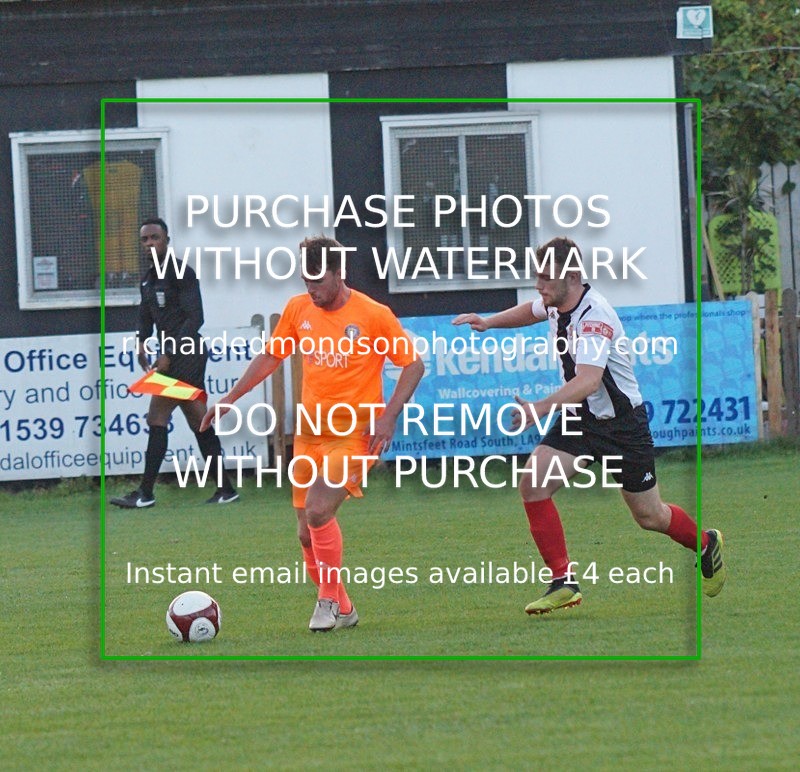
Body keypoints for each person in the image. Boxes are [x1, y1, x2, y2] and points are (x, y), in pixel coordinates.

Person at [453, 236, 726, 614]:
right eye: (538, 276)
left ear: (573, 275)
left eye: (546, 278)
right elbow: (531, 310)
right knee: (533, 485)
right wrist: (488, 322)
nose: (539, 285)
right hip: (580, 418)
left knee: (650, 516)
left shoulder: (594, 317)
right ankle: (563, 582)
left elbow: (589, 381)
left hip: (622, 426)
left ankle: (705, 543)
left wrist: (540, 408)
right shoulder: (555, 299)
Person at [200, 236, 424, 631]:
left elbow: (413, 365)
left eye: (319, 281)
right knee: (306, 534)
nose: (312, 289)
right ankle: (346, 607)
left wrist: (389, 416)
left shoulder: (373, 314)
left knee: (320, 509)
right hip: (310, 436)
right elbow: (271, 355)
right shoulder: (298, 309)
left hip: (355, 436)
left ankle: (326, 603)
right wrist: (231, 398)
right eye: (307, 280)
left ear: (340, 274)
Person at [111, 217, 239, 509]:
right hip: (174, 354)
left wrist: (168, 351)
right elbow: (145, 313)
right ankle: (226, 489)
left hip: (187, 354)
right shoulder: (148, 278)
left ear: (167, 239)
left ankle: (145, 493)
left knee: (157, 417)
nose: (149, 244)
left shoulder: (181, 272)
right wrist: (142, 340)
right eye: (144, 240)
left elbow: (196, 318)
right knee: (198, 420)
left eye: (155, 238)